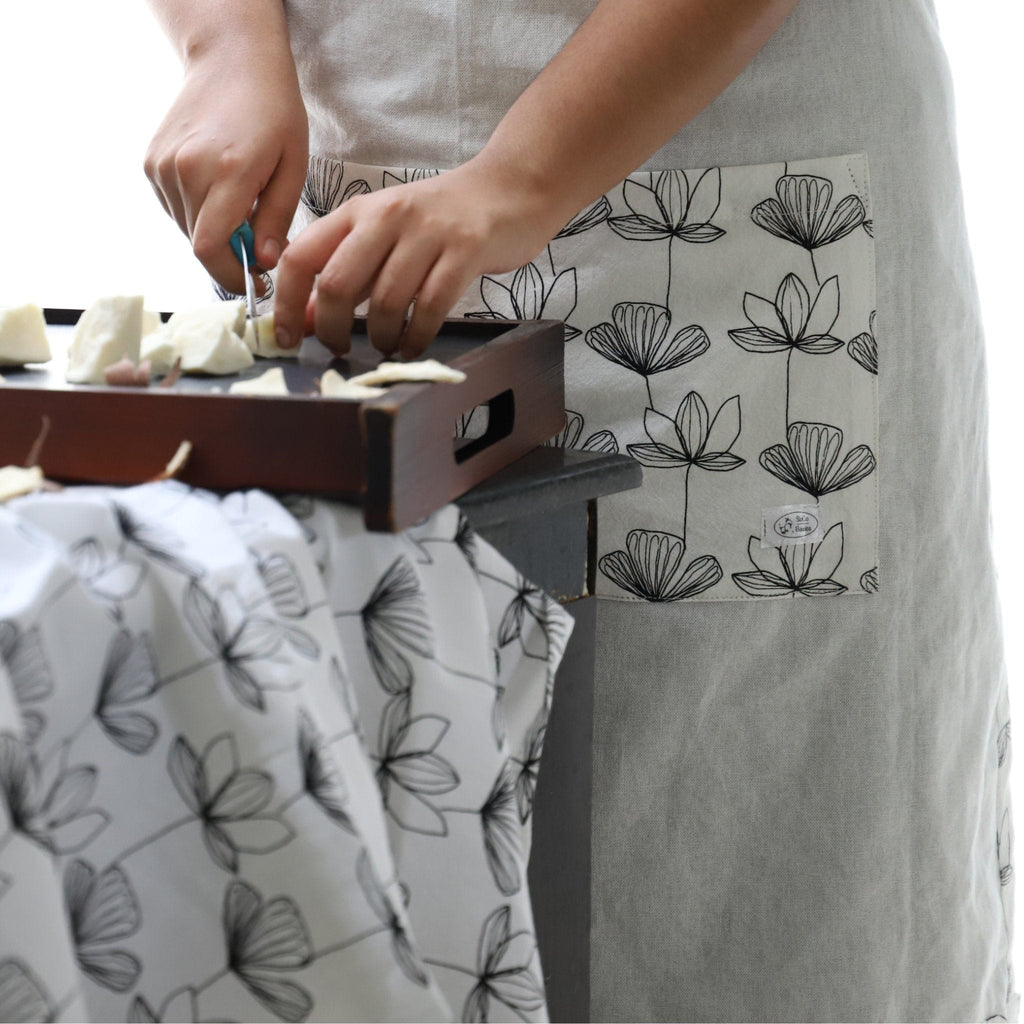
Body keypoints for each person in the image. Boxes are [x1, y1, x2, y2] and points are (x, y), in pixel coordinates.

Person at [144, 1, 1016, 1020]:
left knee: (746, 887)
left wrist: (520, 179)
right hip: (356, 224)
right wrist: (225, 47)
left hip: (736, 194)